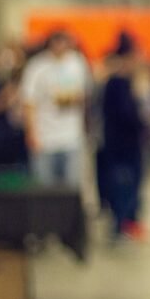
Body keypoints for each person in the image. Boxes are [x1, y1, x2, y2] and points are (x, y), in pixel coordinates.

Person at [20, 31, 92, 189]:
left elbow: (85, 94)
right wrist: (31, 132)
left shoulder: (77, 63)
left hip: (71, 137)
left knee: (72, 187)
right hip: (46, 138)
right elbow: (28, 102)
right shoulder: (37, 66)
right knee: (46, 188)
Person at [101, 34, 148, 241]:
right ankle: (120, 225)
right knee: (123, 186)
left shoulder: (124, 83)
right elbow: (125, 115)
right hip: (121, 145)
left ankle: (127, 222)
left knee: (129, 185)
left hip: (127, 144)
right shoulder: (118, 84)